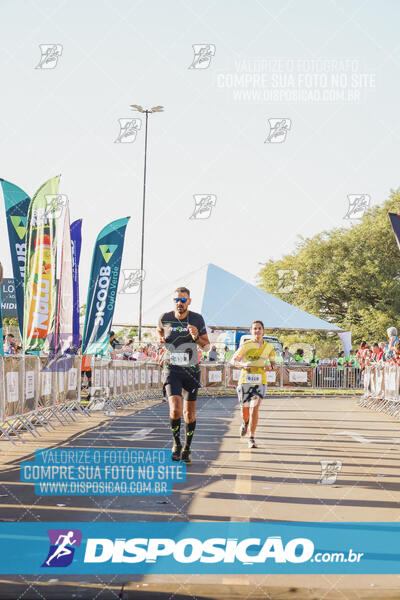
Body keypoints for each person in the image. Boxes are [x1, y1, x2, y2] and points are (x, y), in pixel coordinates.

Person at [157, 287, 210, 464]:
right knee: (175, 409)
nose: (180, 303)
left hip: (191, 371)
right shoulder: (165, 318)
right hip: (172, 369)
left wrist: (196, 337)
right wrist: (160, 342)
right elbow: (159, 333)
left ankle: (187, 448)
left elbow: (207, 346)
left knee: (189, 414)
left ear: (189, 301)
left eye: (183, 300)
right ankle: (176, 444)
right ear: (173, 301)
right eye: (177, 300)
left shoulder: (197, 318)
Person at [230, 320, 276, 449]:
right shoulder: (246, 345)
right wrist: (243, 364)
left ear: (263, 331)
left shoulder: (269, 347)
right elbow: (233, 360)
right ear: (251, 331)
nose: (257, 331)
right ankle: (245, 423)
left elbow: (274, 365)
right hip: (245, 380)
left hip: (260, 381)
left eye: (259, 328)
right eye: (255, 328)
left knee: (254, 408)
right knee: (245, 412)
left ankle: (252, 438)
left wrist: (269, 367)